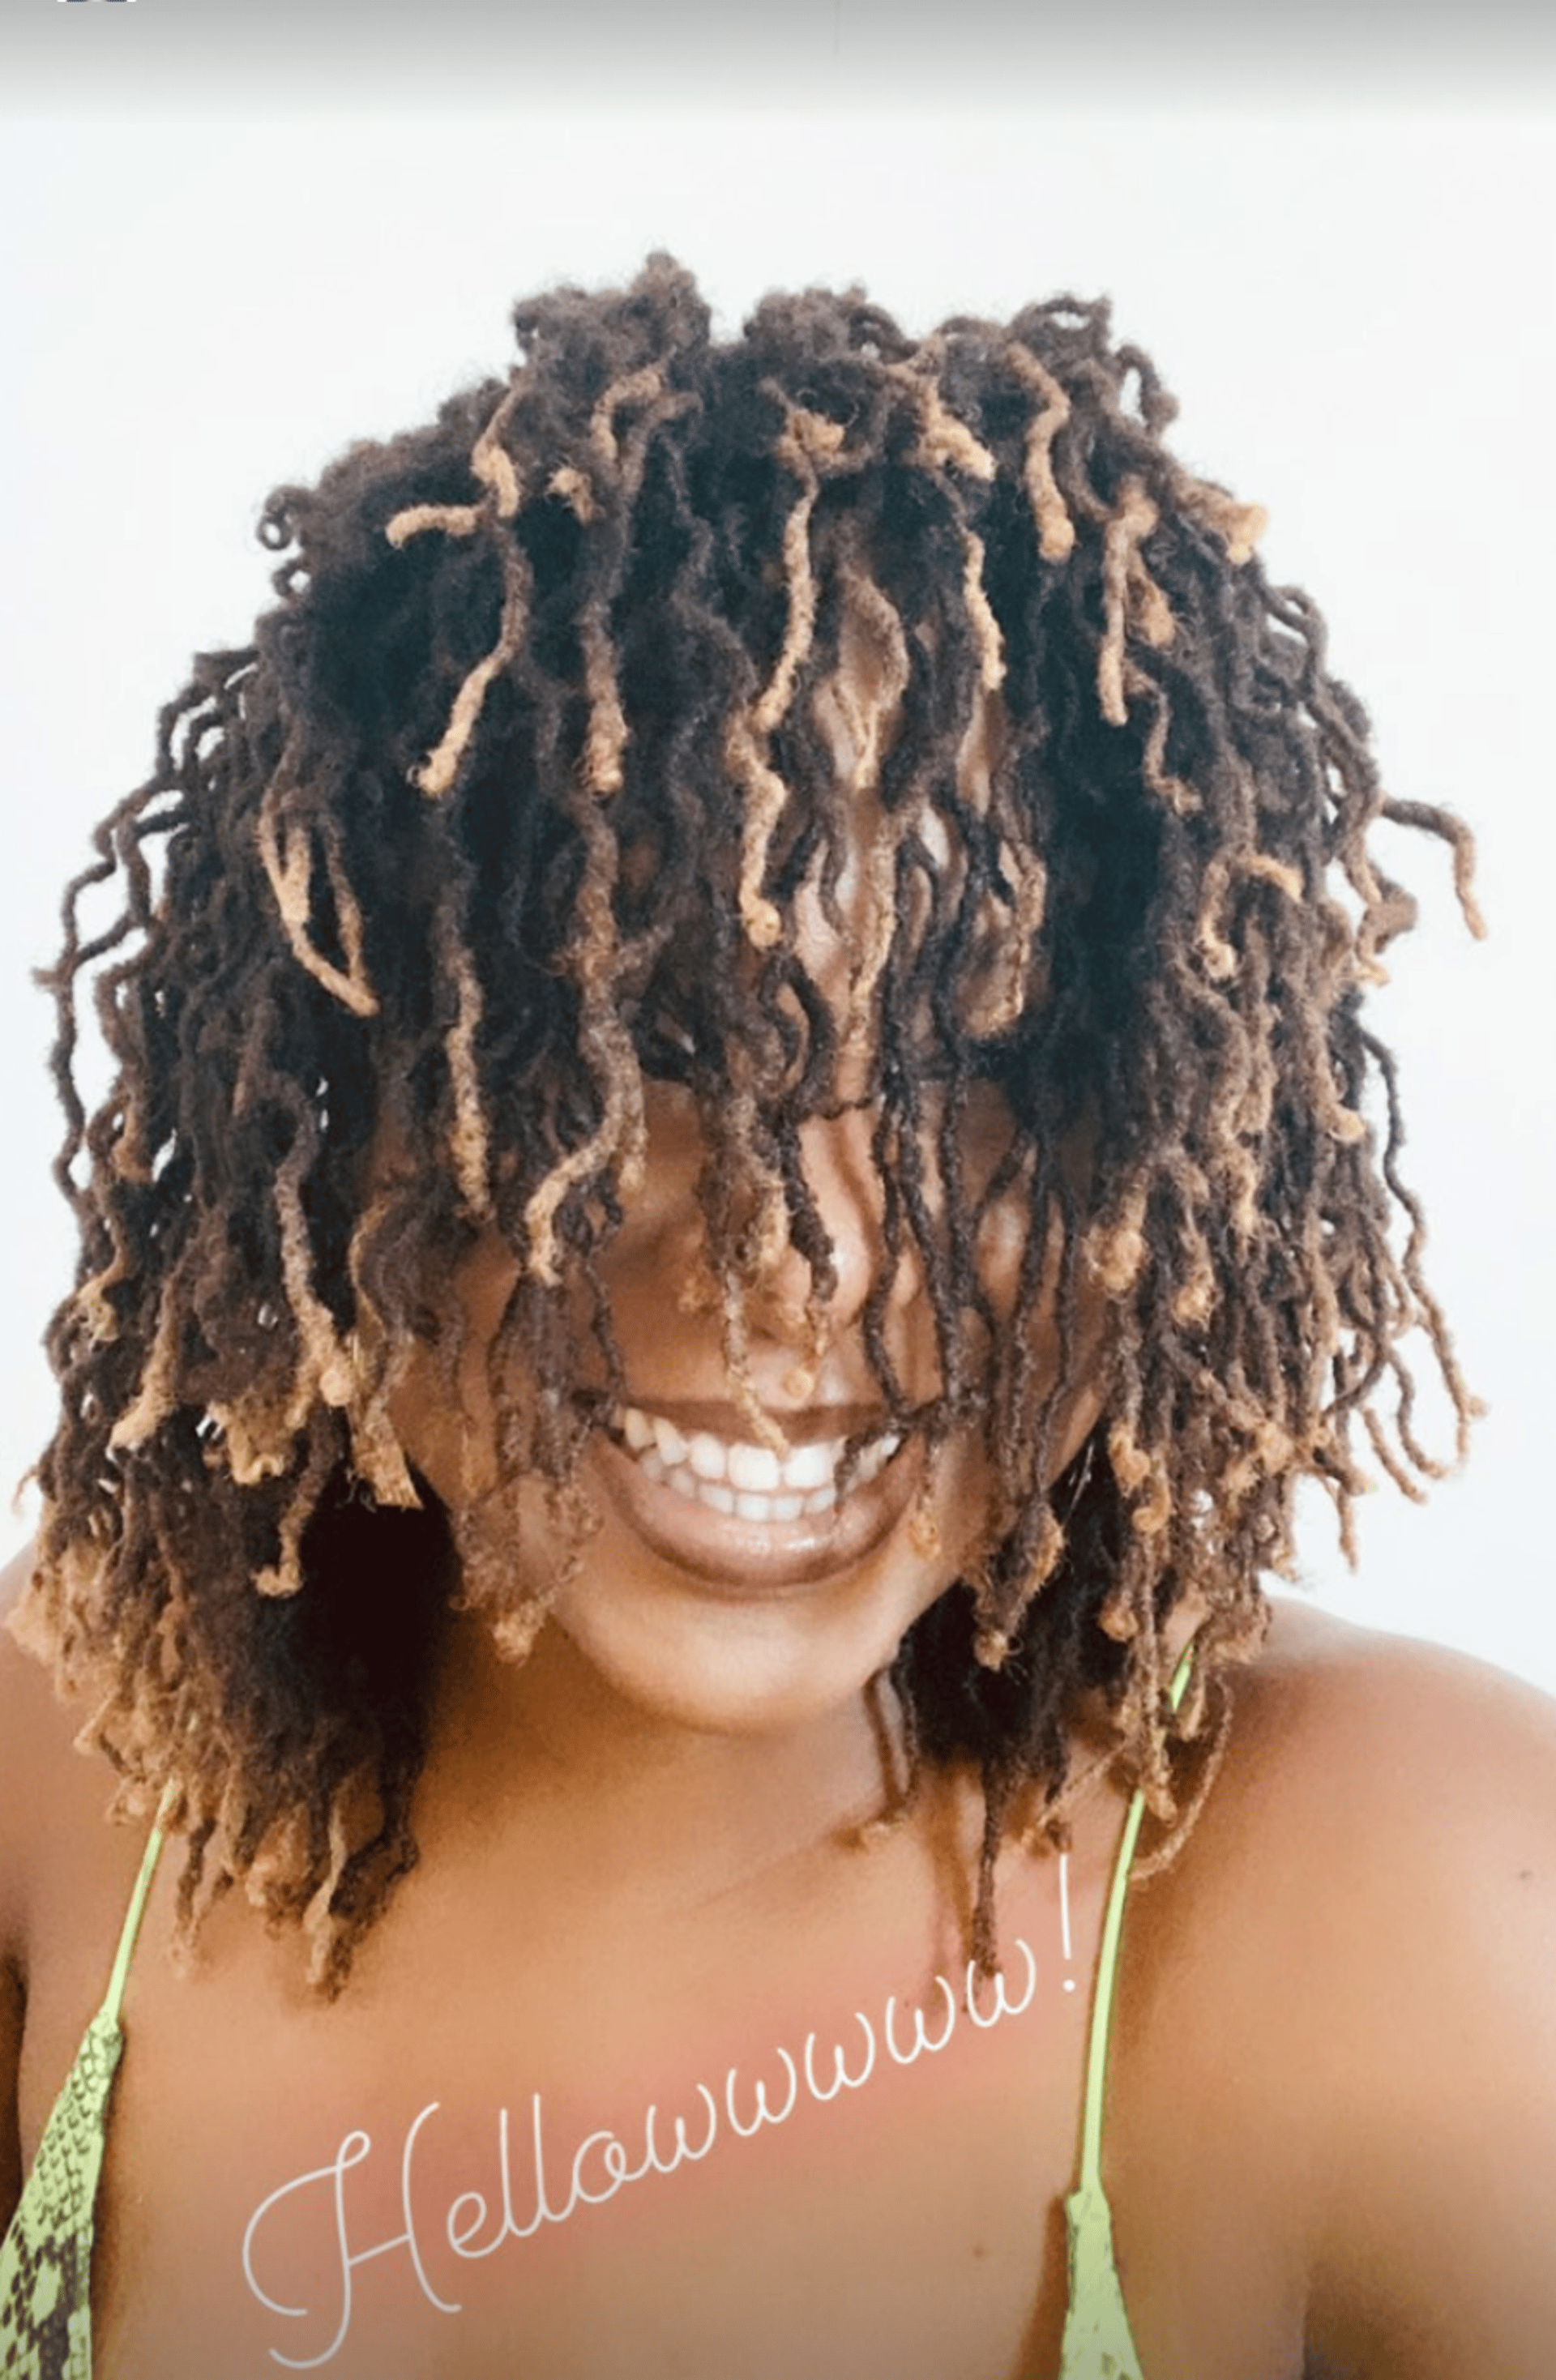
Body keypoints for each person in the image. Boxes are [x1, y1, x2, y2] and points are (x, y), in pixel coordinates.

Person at [2, 252, 1553, 2380]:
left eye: (974, 1070)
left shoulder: (1405, 1904)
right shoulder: (65, 1765)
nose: (790, 1257)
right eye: (629, 1049)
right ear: (346, 1074)